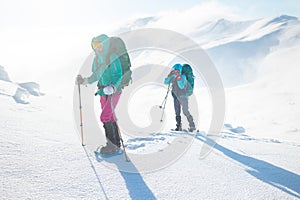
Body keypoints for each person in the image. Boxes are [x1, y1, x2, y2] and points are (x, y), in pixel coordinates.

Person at [76, 34, 123, 155]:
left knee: (105, 116)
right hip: (102, 91)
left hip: (114, 91)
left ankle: (111, 146)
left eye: (99, 45)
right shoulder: (97, 59)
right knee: (110, 116)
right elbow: (96, 75)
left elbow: (119, 75)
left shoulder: (112, 56)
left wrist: (113, 87)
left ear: (105, 44)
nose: (97, 48)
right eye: (94, 45)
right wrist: (84, 81)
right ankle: (116, 144)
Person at [164, 64, 196, 132]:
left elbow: (181, 86)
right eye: (175, 71)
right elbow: (165, 82)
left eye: (178, 71)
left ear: (180, 71)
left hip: (183, 97)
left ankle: (192, 125)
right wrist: (169, 76)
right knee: (177, 112)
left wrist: (179, 78)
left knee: (185, 111)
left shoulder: (183, 76)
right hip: (176, 97)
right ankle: (178, 126)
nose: (176, 72)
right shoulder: (173, 76)